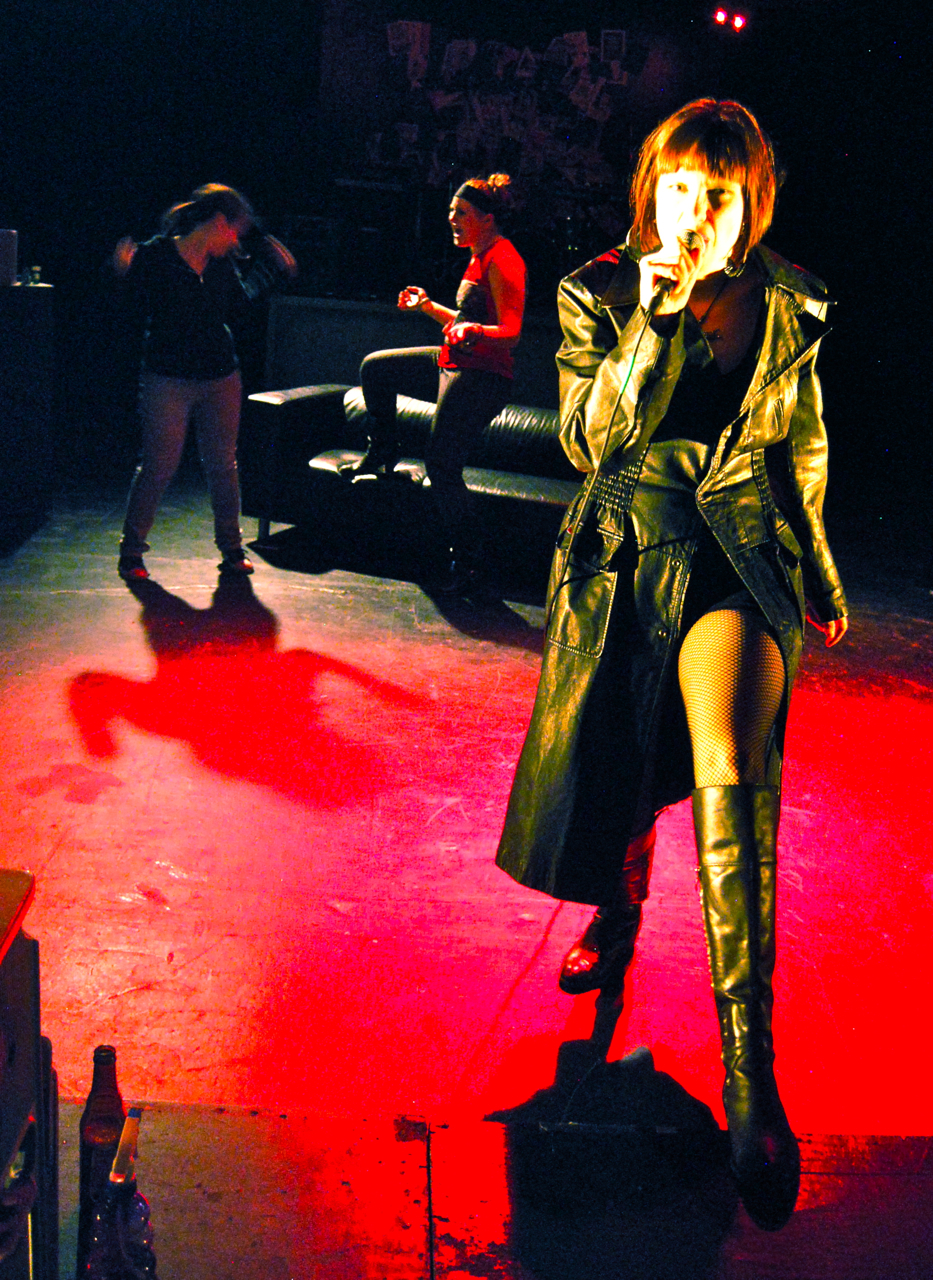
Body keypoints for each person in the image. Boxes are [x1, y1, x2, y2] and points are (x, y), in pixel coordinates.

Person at [495, 100, 848, 1231]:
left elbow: (800, 441)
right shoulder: (600, 291)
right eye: (682, 188)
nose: (700, 212)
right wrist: (651, 322)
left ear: (754, 203)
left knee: (727, 768)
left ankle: (751, 1075)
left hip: (737, 559)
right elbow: (589, 440)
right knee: (624, 763)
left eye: (722, 193)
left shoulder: (790, 299)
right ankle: (618, 912)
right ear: (654, 193)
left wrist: (820, 571)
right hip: (622, 556)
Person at [343, 174, 526, 593]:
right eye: (450, 211)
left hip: (482, 376)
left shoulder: (504, 259)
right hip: (454, 362)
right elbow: (464, 322)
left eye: (461, 213)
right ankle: (383, 449)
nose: (452, 219)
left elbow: (511, 332)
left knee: (442, 465)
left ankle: (471, 562)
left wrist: (476, 331)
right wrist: (427, 307)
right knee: (376, 369)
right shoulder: (478, 257)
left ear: (487, 218)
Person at [114, 184, 296, 581]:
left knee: (223, 465)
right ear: (217, 222)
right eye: (234, 231)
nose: (235, 241)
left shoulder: (220, 265)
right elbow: (130, 306)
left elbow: (240, 306)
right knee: (159, 464)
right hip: (167, 377)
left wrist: (272, 271)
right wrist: (123, 272)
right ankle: (132, 551)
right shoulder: (156, 255)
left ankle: (231, 548)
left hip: (221, 376)